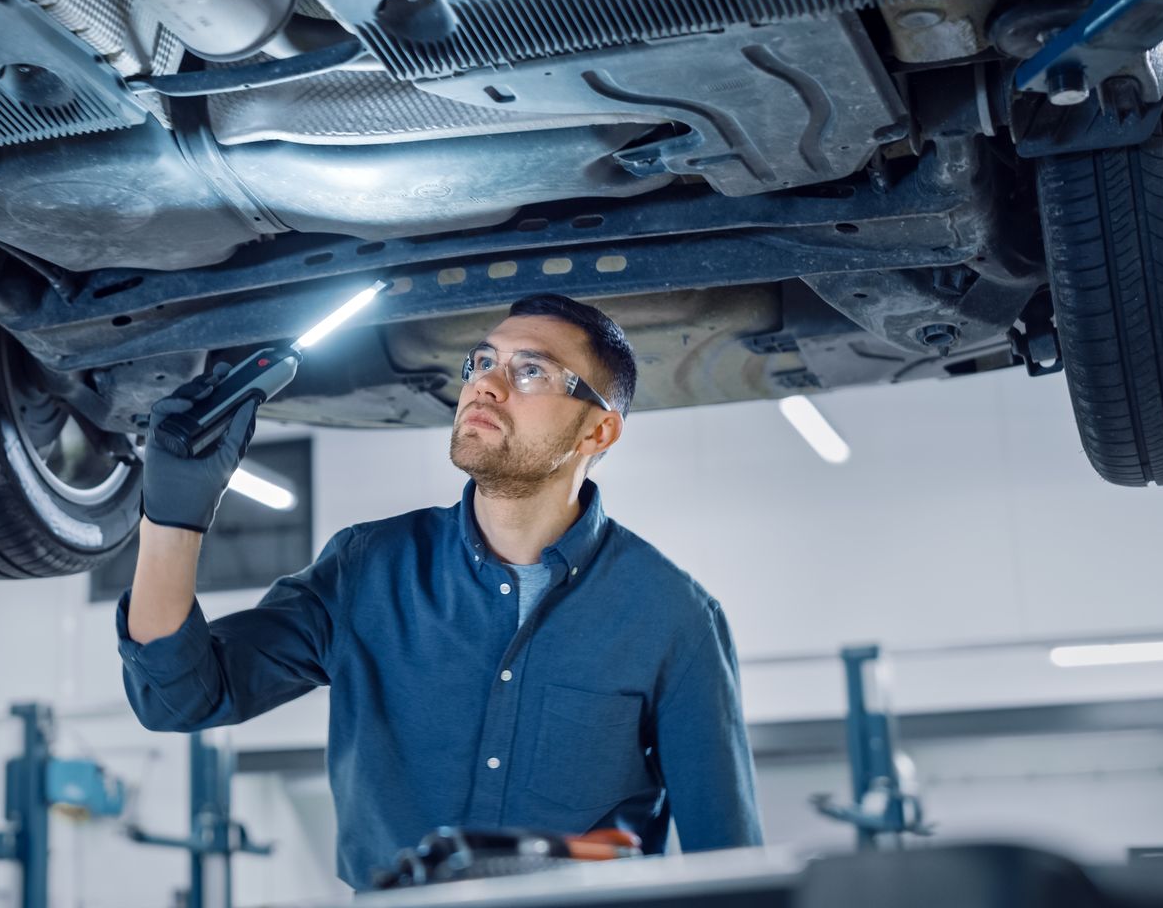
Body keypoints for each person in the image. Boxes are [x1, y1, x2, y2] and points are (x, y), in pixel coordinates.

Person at [116, 293, 762, 889]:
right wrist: (172, 518)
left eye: (530, 370)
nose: (486, 381)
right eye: (483, 360)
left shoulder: (674, 619)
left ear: (598, 431)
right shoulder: (366, 570)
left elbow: (731, 868)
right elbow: (181, 698)